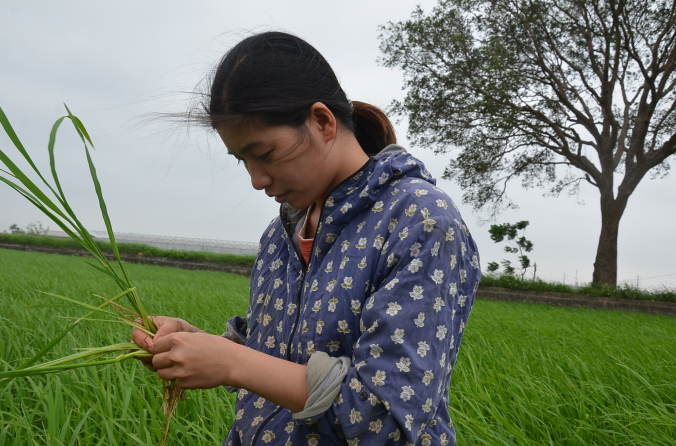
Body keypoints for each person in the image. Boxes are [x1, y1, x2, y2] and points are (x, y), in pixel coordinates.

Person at [132, 31, 481, 446]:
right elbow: (277, 356)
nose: (256, 180)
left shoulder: (419, 221)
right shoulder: (282, 231)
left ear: (322, 122)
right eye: (242, 160)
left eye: (264, 154)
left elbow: (381, 416)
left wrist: (232, 363)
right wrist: (197, 344)